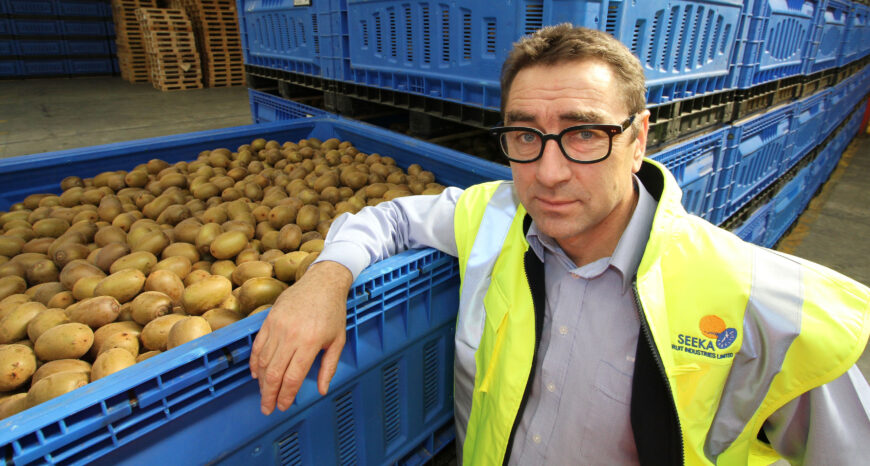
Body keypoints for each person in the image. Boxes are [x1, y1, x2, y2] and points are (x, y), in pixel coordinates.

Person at [250, 24, 870, 464]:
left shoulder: (764, 304)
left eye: (583, 134)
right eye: (524, 135)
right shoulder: (491, 214)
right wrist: (325, 280)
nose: (547, 173)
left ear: (638, 139)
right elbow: (388, 219)